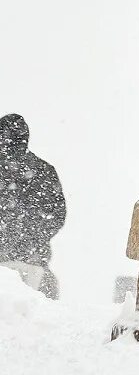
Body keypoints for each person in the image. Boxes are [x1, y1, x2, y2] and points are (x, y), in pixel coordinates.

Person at [0, 113, 67, 298]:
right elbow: (58, 215)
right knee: (39, 316)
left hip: (15, 256)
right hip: (34, 259)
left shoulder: (41, 171)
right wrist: (33, 238)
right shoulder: (44, 171)